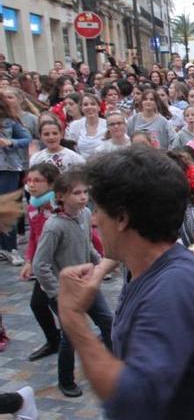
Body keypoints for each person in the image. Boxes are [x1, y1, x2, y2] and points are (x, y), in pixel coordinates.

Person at [56, 146, 194, 418]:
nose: (94, 220)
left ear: (122, 218)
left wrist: (73, 319)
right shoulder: (148, 270)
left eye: (98, 209)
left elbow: (133, 401)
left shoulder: (174, 287)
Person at [33, 169, 113, 398]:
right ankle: (65, 380)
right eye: (76, 193)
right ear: (60, 196)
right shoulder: (54, 226)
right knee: (70, 338)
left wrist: (98, 263)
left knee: (108, 322)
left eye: (85, 192)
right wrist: (58, 293)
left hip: (87, 283)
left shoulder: (85, 215)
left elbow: (85, 245)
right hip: (66, 292)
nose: (83, 197)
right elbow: (41, 265)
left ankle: (111, 363)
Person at [19, 163, 63, 363]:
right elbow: (34, 239)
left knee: (67, 309)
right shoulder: (32, 207)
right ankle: (55, 341)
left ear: (52, 183)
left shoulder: (60, 208)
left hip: (62, 266)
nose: (31, 185)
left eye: (37, 180)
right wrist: (29, 260)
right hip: (44, 267)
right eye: (29, 180)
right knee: (38, 305)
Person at [0, 95, 31, 266]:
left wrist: (9, 142)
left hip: (7, 169)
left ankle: (11, 248)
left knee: (6, 207)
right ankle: (2, 247)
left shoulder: (9, 121)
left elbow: (26, 139)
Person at [64, 93, 106, 158]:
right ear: (81, 108)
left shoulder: (107, 124)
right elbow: (71, 149)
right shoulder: (75, 125)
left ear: (99, 108)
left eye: (93, 104)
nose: (89, 107)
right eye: (85, 105)